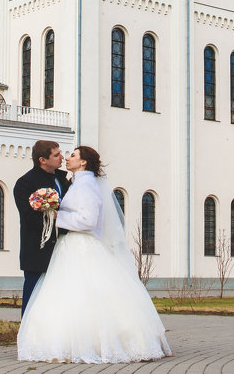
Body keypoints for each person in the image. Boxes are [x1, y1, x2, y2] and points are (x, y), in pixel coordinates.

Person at [18, 145, 171, 363]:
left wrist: (56, 218)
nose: (66, 158)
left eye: (72, 155)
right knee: (74, 295)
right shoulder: (76, 182)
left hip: (80, 246)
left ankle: (89, 342)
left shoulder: (86, 185)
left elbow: (88, 220)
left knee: (87, 294)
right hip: (70, 246)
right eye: (61, 154)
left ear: (83, 162)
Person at [13, 140, 70, 316]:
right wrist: (63, 223)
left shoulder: (62, 179)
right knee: (33, 300)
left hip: (63, 250)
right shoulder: (25, 183)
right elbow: (30, 217)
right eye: (56, 154)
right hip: (37, 251)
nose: (62, 157)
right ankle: (27, 339)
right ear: (42, 160)